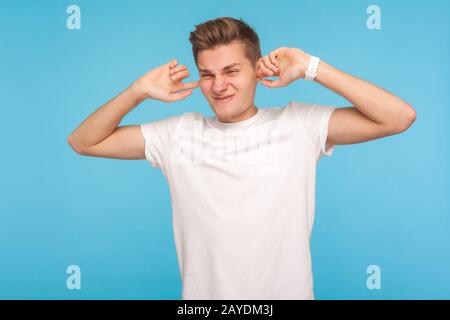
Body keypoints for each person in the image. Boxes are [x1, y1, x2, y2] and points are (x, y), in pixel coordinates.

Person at [67, 17, 416, 300]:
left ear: (257, 71)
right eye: (207, 74)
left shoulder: (299, 125)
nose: (219, 86)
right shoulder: (176, 134)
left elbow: (398, 117)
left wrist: (312, 67)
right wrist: (137, 92)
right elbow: (83, 141)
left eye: (231, 71)